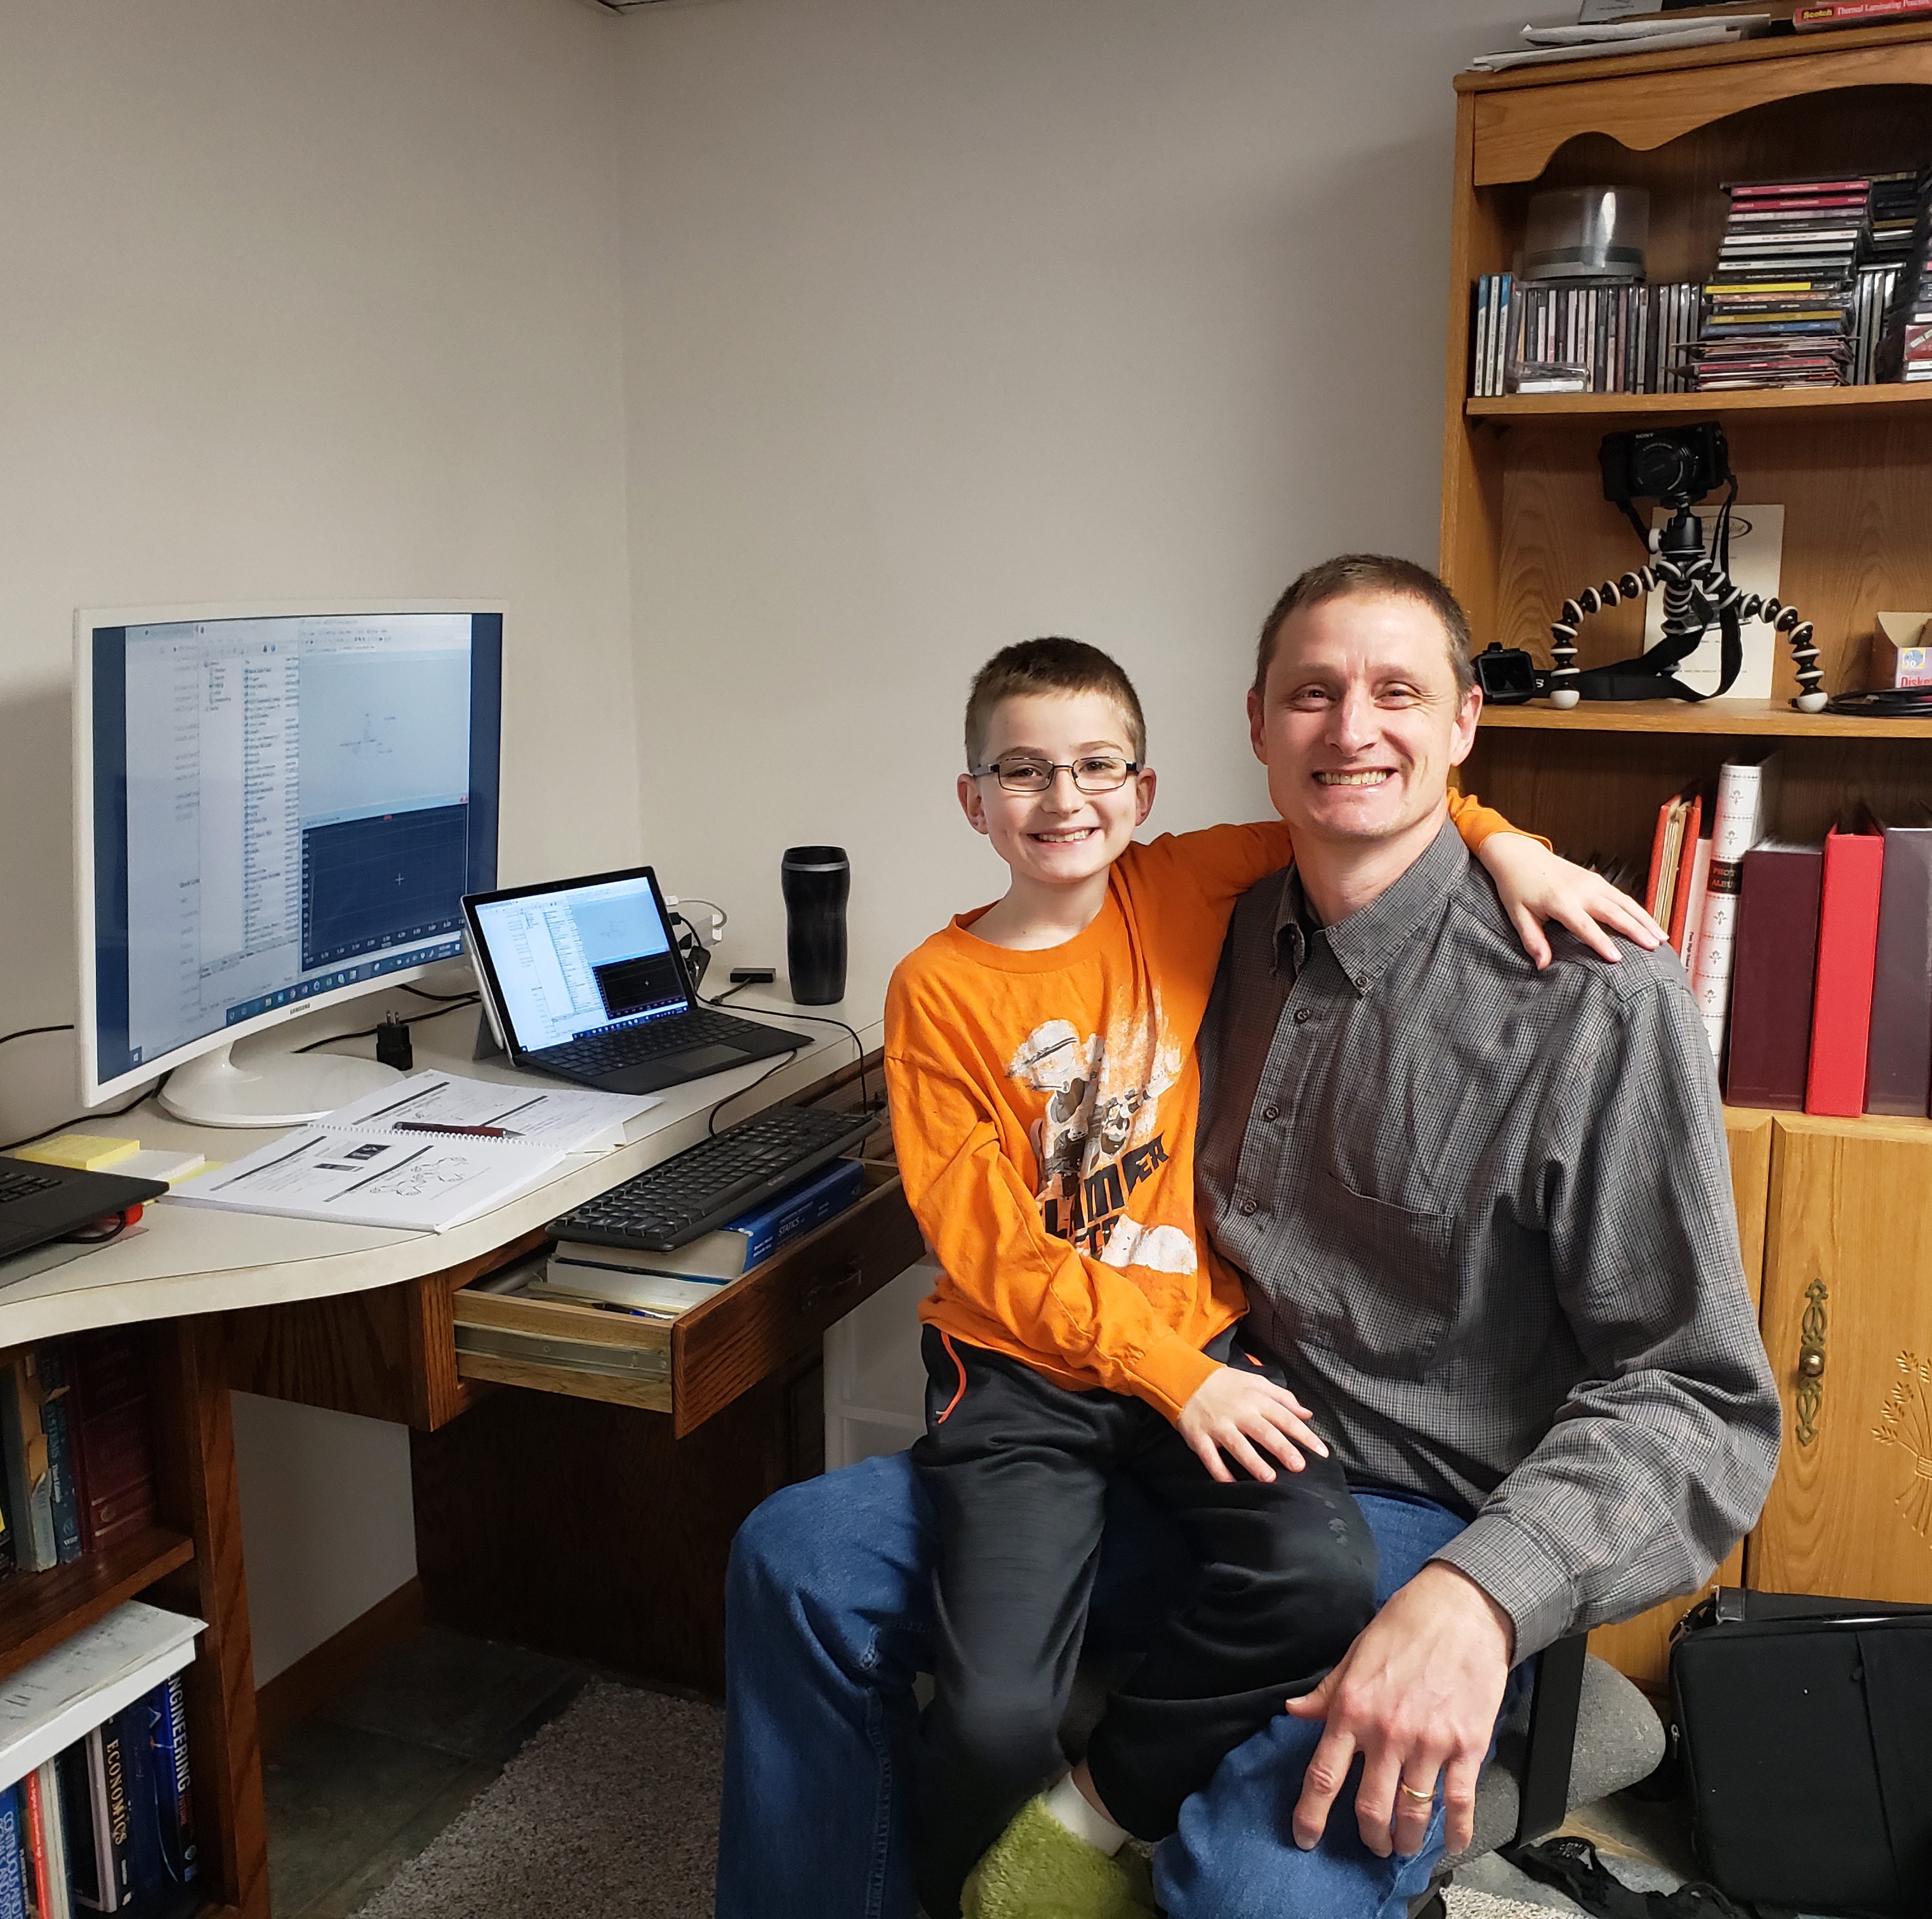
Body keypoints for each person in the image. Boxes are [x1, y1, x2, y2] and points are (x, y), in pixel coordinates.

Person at [715, 558, 1778, 1919]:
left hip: (1411, 1511)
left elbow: (1699, 1396)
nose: (1351, 729)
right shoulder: (1203, 919)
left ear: (1464, 727)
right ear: (1260, 726)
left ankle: (1090, 1822)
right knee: (793, 1561)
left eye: (1399, 693)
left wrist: (1482, 1599)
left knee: (1248, 1892)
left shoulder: (1594, 1004)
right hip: (1167, 1415)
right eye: (1313, 695)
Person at [885, 638, 1648, 1919]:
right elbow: (992, 1251)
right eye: (1022, 772)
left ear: (1142, 791)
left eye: (1094, 768)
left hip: (1198, 1355)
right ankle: (977, 1891)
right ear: (974, 801)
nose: (1063, 799)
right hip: (1023, 1372)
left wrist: (1510, 843)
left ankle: (1090, 1823)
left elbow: (1366, 804)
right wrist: (1168, 1376)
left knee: (1317, 1579)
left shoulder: (1180, 879)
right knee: (991, 1709)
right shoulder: (935, 991)